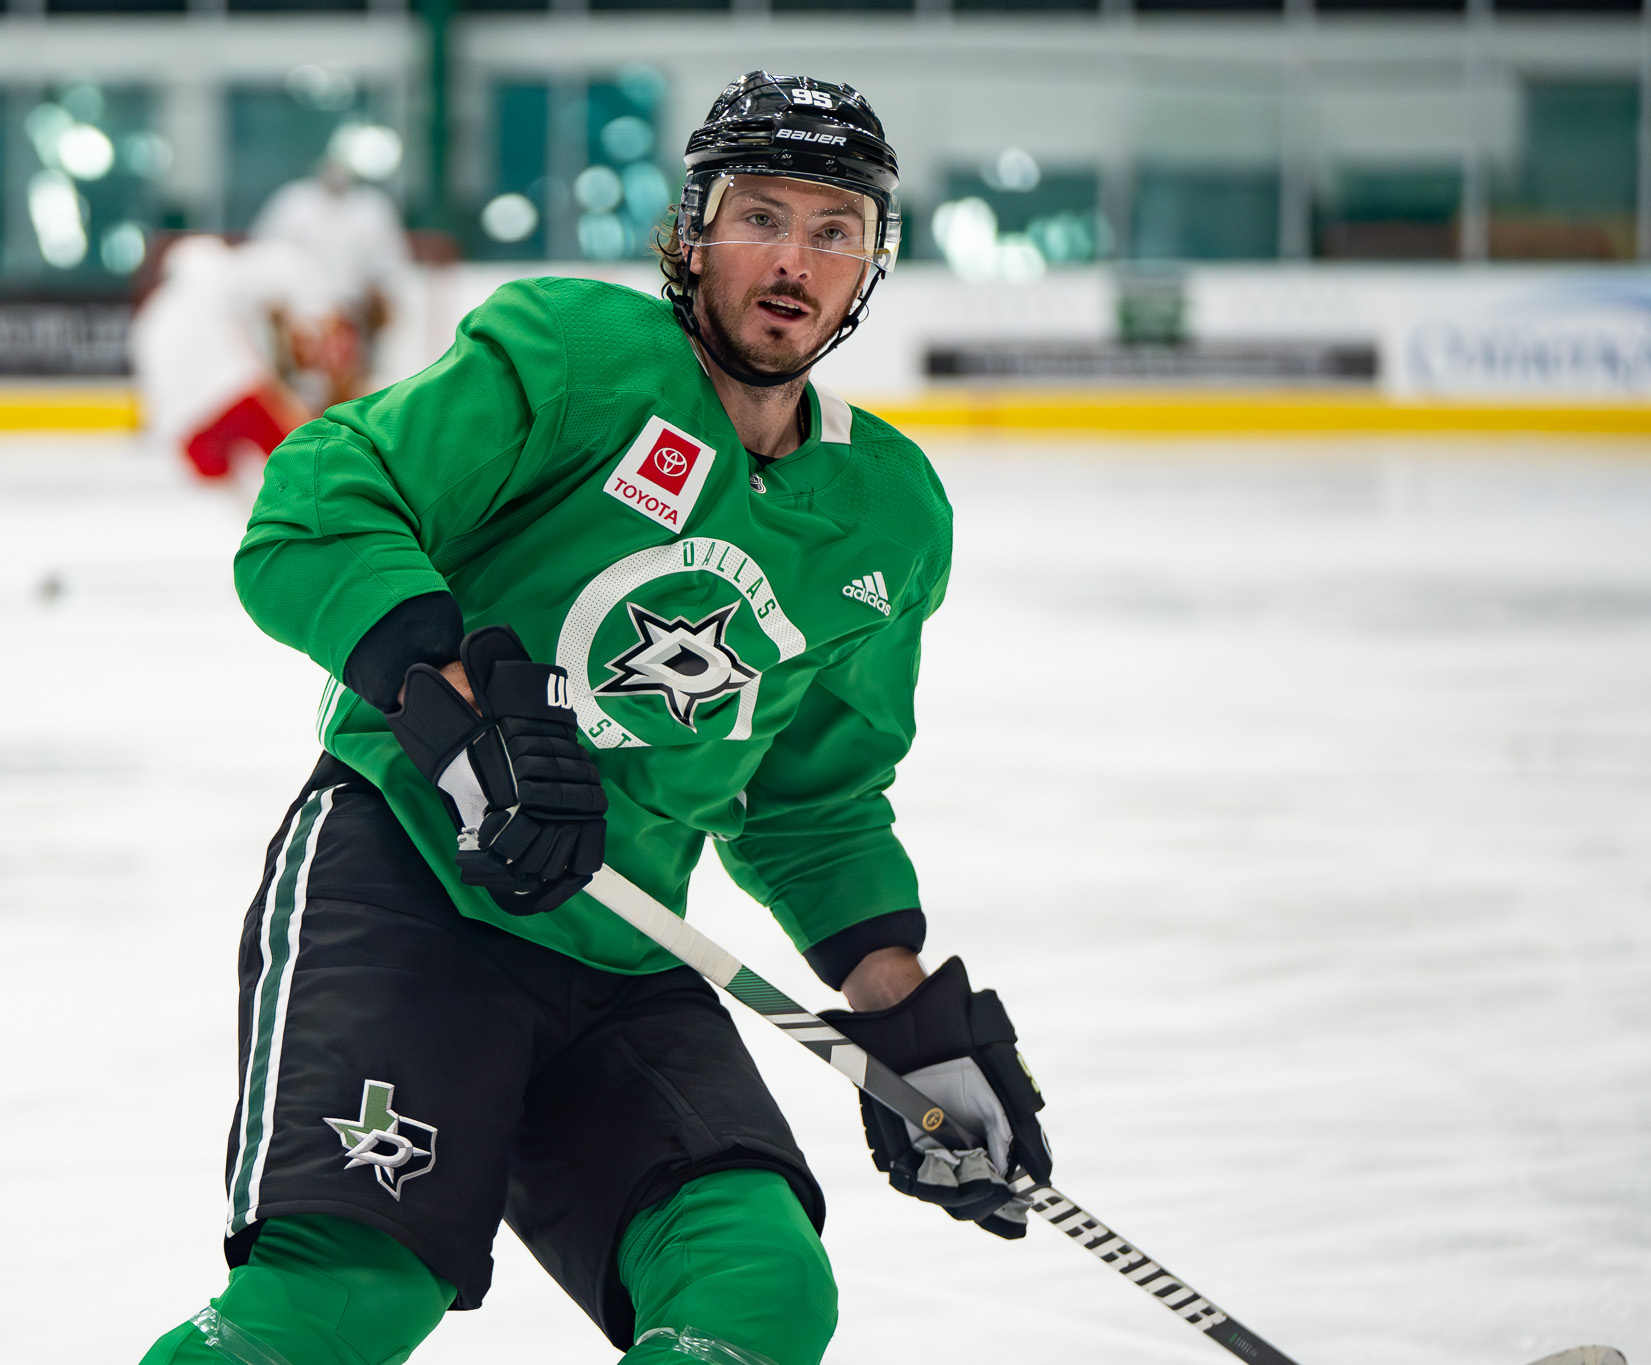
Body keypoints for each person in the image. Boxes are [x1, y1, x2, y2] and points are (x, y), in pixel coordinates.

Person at [140, 72, 1051, 1365]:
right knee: (343, 1300)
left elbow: (812, 799)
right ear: (691, 234)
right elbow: (318, 500)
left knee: (758, 1285)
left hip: (623, 957)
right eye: (760, 218)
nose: (793, 261)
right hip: (410, 896)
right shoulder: (572, 360)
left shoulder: (887, 515)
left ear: (871, 268)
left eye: (834, 230)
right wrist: (446, 711)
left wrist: (899, 1018)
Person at [130, 235, 339, 481]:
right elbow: (284, 261)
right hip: (235, 399)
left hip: (187, 436)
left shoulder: (151, 319)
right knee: (303, 458)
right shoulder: (216, 277)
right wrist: (319, 311)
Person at [250, 128, 411, 406]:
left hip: (351, 313)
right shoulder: (292, 203)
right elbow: (265, 256)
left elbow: (388, 266)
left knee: (348, 384)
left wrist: (381, 303)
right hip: (299, 313)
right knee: (299, 388)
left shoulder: (372, 208)